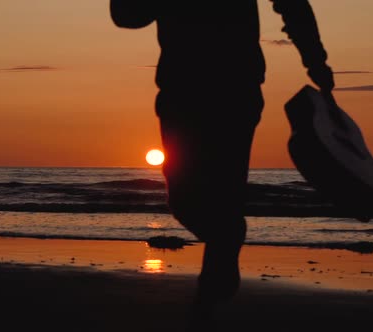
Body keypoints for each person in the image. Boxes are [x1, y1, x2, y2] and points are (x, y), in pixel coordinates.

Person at [110, 0, 334, 304]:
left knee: (224, 200)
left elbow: (293, 4)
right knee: (184, 203)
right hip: (183, 91)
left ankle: (208, 303)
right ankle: (224, 247)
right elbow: (127, 16)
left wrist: (315, 61)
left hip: (235, 88)